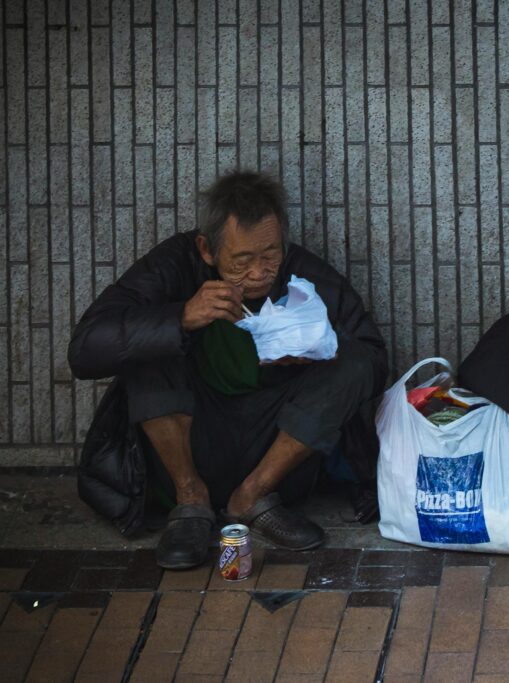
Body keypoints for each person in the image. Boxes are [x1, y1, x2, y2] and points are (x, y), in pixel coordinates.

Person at [69, 170, 388, 569]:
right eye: (241, 261)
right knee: (148, 344)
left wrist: (317, 349)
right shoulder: (175, 264)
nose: (258, 273)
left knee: (351, 359)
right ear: (207, 250)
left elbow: (373, 357)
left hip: (272, 447)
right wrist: (179, 317)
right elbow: (84, 349)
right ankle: (191, 501)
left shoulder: (300, 271)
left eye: (270, 255)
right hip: (189, 442)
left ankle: (252, 497)